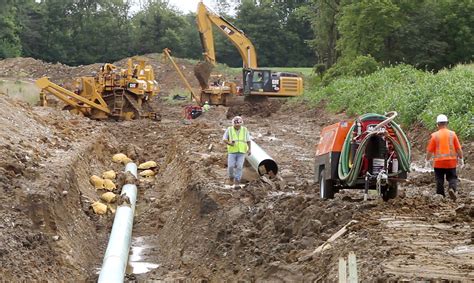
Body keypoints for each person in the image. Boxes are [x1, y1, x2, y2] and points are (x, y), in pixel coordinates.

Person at [425, 114, 464, 200]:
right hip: (451, 162)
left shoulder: (434, 136)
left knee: (439, 180)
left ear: (437, 124)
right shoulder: (452, 134)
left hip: (439, 163)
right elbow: (458, 148)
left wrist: (427, 160)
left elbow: (429, 151)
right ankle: (452, 189)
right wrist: (461, 158)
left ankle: (440, 196)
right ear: (447, 123)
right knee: (452, 178)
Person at [223, 116, 251, 185]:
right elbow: (224, 139)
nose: (237, 127)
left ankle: (237, 180)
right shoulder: (229, 129)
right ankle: (231, 177)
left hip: (241, 151)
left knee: (239, 166)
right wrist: (230, 143)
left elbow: (248, 140)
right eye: (236, 126)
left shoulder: (244, 130)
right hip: (232, 151)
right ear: (233, 124)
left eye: (239, 125)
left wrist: (249, 149)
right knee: (231, 166)